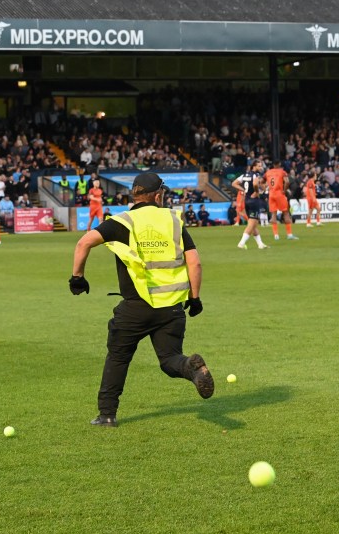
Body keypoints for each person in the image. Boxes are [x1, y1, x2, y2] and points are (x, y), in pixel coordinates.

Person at [69, 172, 213, 428]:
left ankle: (107, 415)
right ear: (158, 195)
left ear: (135, 195)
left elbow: (83, 243)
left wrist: (77, 277)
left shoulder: (123, 221)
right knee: (170, 359)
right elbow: (195, 262)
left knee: (118, 357)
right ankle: (190, 367)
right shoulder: (173, 220)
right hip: (171, 307)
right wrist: (196, 298)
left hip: (135, 307)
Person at [233, 160, 269, 250]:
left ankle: (260, 244)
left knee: (254, 224)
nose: (261, 167)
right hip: (254, 201)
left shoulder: (244, 175)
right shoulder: (255, 175)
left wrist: (243, 190)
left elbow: (234, 183)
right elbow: (255, 184)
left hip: (247, 201)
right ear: (254, 166)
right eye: (259, 166)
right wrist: (257, 192)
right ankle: (241, 243)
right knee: (251, 224)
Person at [264, 162, 297, 240]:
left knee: (273, 215)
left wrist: (265, 189)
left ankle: (276, 236)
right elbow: (287, 182)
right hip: (279, 193)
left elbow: (262, 182)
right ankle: (289, 235)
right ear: (279, 165)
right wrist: (284, 191)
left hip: (271, 194)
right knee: (286, 213)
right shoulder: (282, 172)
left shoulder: (268, 172)